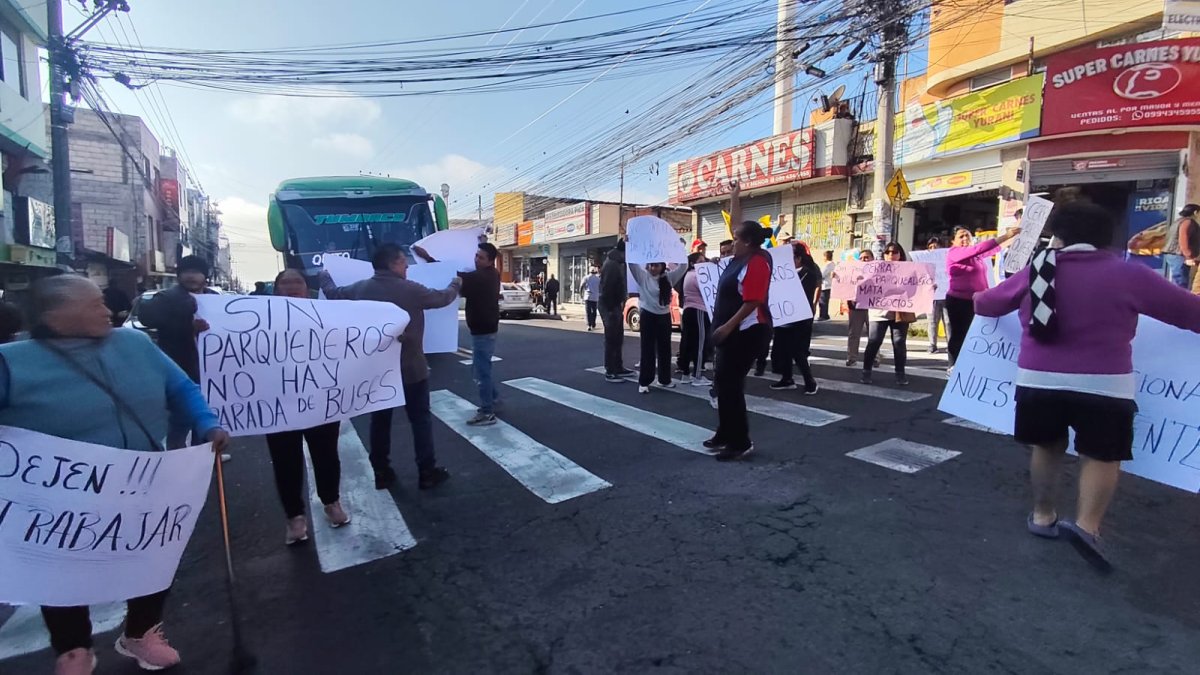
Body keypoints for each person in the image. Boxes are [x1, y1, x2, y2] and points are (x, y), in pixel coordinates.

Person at [0, 275, 230, 674]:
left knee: (152, 554)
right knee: (62, 568)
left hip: (142, 476)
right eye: (94, 305)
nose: (107, 310)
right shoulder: (12, 363)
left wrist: (208, 424)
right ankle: (73, 649)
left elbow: (181, 387)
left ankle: (141, 633)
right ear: (55, 314)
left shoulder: (135, 344)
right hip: (62, 492)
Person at [974, 201, 1200, 572]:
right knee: (1101, 455)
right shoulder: (1128, 275)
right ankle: (1087, 527)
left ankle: (1043, 515)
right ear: (1107, 240)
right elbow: (1192, 314)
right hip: (1106, 385)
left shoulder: (1038, 270)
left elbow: (987, 304)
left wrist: (975, 297)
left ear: (1058, 236)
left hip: (1039, 381)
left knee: (1046, 447)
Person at [319, 244, 462, 490]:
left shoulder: (361, 288)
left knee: (380, 421)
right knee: (420, 420)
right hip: (411, 368)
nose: (407, 267)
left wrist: (325, 277)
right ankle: (426, 472)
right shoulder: (411, 289)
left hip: (377, 370)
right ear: (392, 264)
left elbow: (334, 294)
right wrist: (456, 284)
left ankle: (382, 471)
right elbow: (442, 298)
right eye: (403, 262)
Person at [265, 269, 349, 546]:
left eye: (297, 282)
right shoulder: (258, 317)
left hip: (320, 401)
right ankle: (295, 518)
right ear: (276, 289)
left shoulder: (326, 314)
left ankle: (331, 502)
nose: (291, 287)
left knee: (326, 455)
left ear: (306, 288)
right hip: (278, 404)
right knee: (285, 462)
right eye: (285, 283)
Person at [138, 255, 229, 461]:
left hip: (211, 370)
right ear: (179, 275)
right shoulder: (167, 297)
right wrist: (187, 324)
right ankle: (176, 460)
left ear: (205, 276)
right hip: (179, 368)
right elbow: (147, 318)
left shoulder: (214, 299)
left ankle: (205, 457)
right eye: (187, 272)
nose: (191, 276)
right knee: (179, 420)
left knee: (205, 416)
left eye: (197, 272)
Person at [415, 242, 502, 426]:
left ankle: (487, 412)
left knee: (481, 372)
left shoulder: (481, 277)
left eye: (481, 258)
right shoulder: (492, 273)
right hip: (486, 329)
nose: (476, 259)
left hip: (483, 332)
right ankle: (492, 398)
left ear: (490, 261)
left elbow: (454, 276)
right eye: (476, 255)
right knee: (481, 369)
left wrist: (428, 258)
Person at [707, 219, 772, 461]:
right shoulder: (740, 259)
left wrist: (726, 327)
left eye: (735, 239)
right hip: (732, 333)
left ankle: (740, 441)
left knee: (732, 386)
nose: (731, 243)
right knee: (722, 384)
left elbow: (753, 301)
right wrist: (735, 197)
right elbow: (736, 223)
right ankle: (724, 433)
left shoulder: (758, 262)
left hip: (747, 332)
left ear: (747, 242)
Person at [946, 225, 1021, 365]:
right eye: (961, 236)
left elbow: (996, 248)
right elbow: (980, 248)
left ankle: (969, 364)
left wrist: (1018, 235)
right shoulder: (954, 252)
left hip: (975, 301)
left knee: (974, 334)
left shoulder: (976, 256)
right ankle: (953, 365)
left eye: (967, 235)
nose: (964, 238)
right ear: (953, 241)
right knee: (959, 334)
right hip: (959, 302)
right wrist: (1006, 235)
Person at [770, 243, 821, 394]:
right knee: (783, 350)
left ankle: (810, 382)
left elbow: (803, 294)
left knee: (798, 352)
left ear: (798, 258)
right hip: (783, 317)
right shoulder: (778, 273)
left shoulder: (807, 273)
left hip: (799, 318)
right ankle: (787, 379)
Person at [630, 259, 687, 393]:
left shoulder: (668, 277)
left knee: (665, 349)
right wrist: (628, 244)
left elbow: (683, 266)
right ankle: (644, 382)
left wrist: (678, 250)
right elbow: (632, 263)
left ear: (662, 266)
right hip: (647, 315)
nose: (652, 268)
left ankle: (664, 380)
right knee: (647, 349)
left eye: (656, 265)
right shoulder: (642, 276)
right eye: (650, 265)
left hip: (664, 316)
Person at [861, 242, 914, 386]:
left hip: (899, 311)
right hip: (879, 312)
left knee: (899, 342)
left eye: (895, 252)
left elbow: (918, 286)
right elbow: (861, 281)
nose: (891, 255)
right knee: (874, 341)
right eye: (888, 252)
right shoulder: (876, 269)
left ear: (900, 254)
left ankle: (900, 374)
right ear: (884, 254)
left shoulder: (909, 270)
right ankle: (866, 371)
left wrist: (929, 287)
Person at [599, 241, 635, 382]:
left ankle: (618, 367)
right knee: (611, 339)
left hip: (614, 305)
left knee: (618, 338)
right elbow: (607, 288)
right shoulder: (612, 265)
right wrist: (612, 309)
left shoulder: (617, 262)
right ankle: (610, 370)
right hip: (610, 306)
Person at [677, 252, 712, 386]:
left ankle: (686, 373)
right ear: (693, 263)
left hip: (689, 310)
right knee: (700, 343)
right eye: (701, 261)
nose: (704, 263)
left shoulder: (688, 275)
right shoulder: (698, 275)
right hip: (699, 311)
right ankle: (697, 375)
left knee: (688, 342)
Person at [845, 249, 874, 366]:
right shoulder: (852, 271)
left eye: (866, 257)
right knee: (853, 333)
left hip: (873, 306)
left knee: (873, 335)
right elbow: (844, 284)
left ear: (873, 259)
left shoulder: (880, 273)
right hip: (856, 307)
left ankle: (874, 358)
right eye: (861, 258)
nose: (863, 260)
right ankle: (852, 357)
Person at [1162, 204, 1197, 289]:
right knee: (1181, 282)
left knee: (1180, 281)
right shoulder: (1188, 222)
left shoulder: (1178, 221)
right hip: (1178, 255)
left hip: (1173, 254)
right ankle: (1179, 301)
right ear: (1195, 212)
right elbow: (1183, 239)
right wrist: (1188, 256)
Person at [925, 237, 948, 353]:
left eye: (935, 246)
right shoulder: (925, 262)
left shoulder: (947, 259)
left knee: (948, 321)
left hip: (945, 294)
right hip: (932, 295)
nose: (933, 249)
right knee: (932, 321)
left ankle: (950, 343)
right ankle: (932, 344)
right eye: (930, 247)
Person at [581, 266, 601, 331]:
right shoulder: (598, 279)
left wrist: (580, 293)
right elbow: (601, 287)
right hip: (595, 297)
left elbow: (581, 286)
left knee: (588, 311)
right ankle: (593, 324)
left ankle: (589, 325)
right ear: (595, 272)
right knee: (594, 311)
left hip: (588, 296)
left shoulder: (586, 278)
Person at [818, 250, 835, 321]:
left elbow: (822, 274)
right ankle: (825, 315)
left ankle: (823, 315)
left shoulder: (828, 264)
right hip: (828, 285)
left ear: (826, 257)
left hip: (825, 285)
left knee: (823, 301)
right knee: (825, 301)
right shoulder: (832, 264)